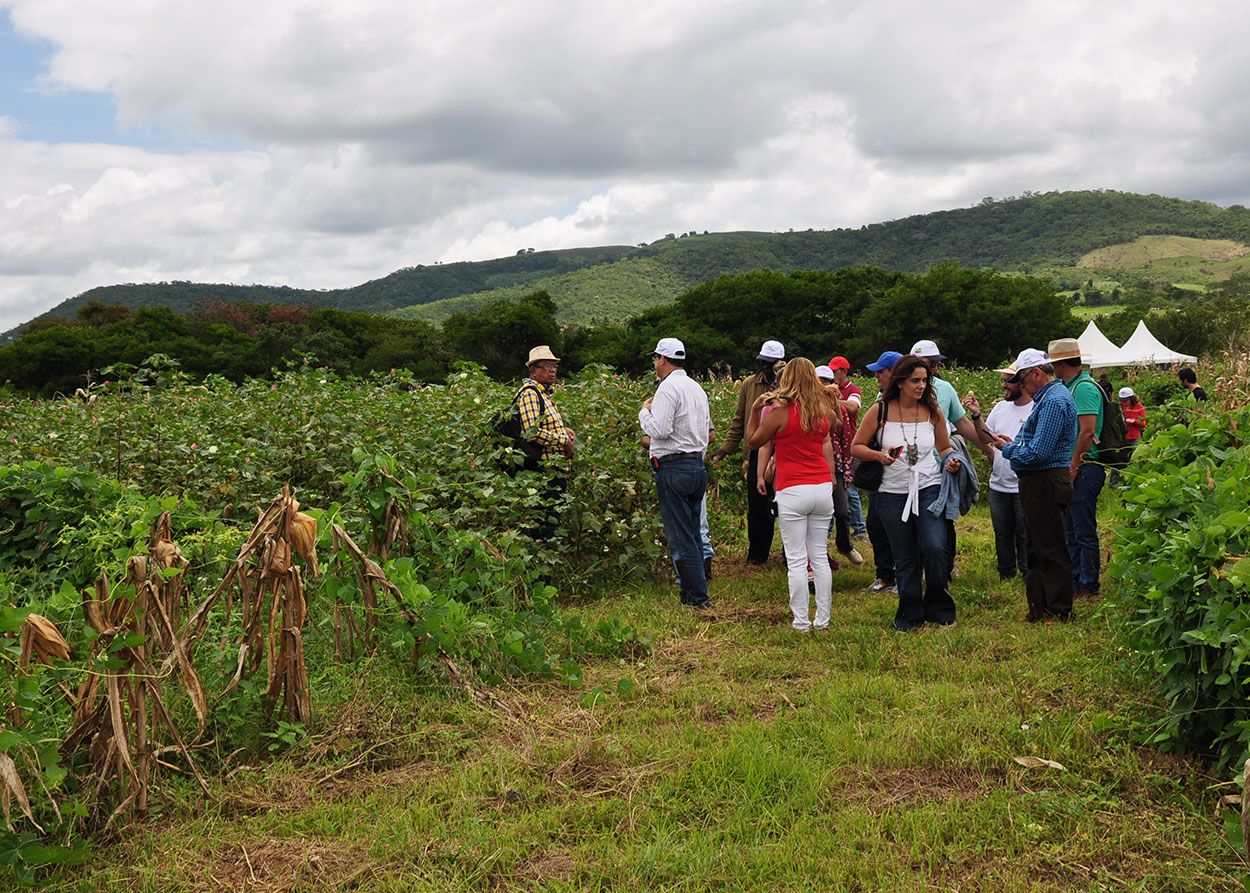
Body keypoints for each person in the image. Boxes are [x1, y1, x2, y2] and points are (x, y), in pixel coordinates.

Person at [851, 354, 963, 631]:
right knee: (905, 557)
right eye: (915, 380)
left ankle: (938, 606)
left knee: (936, 547)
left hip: (928, 486)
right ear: (900, 382)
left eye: (925, 380)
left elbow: (944, 447)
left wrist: (950, 460)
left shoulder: (933, 410)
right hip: (891, 493)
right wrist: (879, 455)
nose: (921, 386)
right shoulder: (880, 411)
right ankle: (910, 616)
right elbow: (857, 447)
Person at [746, 358, 840, 632]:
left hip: (792, 489)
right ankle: (822, 620)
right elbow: (834, 426)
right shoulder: (822, 412)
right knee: (819, 556)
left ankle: (801, 622)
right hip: (822, 488)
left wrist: (755, 410)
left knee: (797, 560)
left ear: (786, 379)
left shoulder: (778, 413)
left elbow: (753, 441)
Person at [992, 349, 1077, 622]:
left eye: (1021, 378)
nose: (1019, 385)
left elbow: (1038, 453)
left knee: (1050, 547)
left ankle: (1059, 611)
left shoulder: (1052, 402)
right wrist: (1015, 445)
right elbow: (1035, 446)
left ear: (1037, 373)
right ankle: (1041, 609)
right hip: (1041, 480)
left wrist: (1008, 450)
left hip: (1045, 480)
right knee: (1037, 545)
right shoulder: (1049, 398)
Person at [639, 338, 712, 609]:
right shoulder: (696, 388)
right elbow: (705, 431)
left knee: (681, 539)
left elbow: (660, 430)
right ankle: (693, 594)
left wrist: (644, 414)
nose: (655, 364)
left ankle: (697, 599)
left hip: (673, 467)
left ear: (663, 359)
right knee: (692, 533)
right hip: (696, 465)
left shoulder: (667, 389)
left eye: (655, 359)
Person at [709, 340, 785, 564]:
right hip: (757, 451)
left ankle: (792, 556)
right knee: (758, 507)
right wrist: (726, 448)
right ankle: (757, 555)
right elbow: (740, 420)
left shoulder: (791, 385)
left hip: (783, 452)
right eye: (763, 363)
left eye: (770, 364)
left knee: (787, 505)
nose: (766, 368)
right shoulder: (750, 384)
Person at [910, 340, 979, 576]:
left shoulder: (946, 389)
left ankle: (947, 564)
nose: (935, 369)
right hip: (906, 470)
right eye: (930, 364)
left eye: (937, 364)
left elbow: (962, 423)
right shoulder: (895, 390)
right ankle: (914, 566)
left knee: (943, 517)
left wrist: (988, 447)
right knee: (911, 519)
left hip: (941, 466)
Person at [965, 362, 1033, 580]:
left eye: (1008, 380)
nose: (1004, 385)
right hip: (999, 484)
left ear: (1022, 382)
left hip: (1023, 484)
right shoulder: (1001, 408)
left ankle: (1027, 573)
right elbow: (986, 437)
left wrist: (1014, 446)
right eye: (1003, 380)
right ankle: (1006, 573)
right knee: (1002, 533)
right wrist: (976, 416)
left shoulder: (1036, 408)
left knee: (1025, 533)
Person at [1048, 338, 1104, 600]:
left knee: (1082, 529)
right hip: (1077, 467)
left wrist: (1073, 465)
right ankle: (1076, 578)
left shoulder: (1082, 388)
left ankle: (1088, 583)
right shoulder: (1070, 386)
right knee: (1070, 528)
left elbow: (1087, 431)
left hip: (1085, 467)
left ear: (1060, 364)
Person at [518, 345, 576, 540]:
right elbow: (530, 432)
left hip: (553, 466)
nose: (552, 371)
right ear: (533, 371)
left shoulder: (544, 393)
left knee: (552, 516)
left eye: (554, 367)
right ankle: (539, 561)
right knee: (545, 520)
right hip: (544, 468)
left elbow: (543, 424)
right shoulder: (530, 393)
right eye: (546, 367)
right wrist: (563, 441)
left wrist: (564, 430)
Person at [861, 351, 904, 594]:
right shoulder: (880, 401)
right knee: (876, 526)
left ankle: (905, 575)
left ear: (895, 373)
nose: (876, 375)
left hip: (905, 479)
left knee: (901, 529)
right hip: (881, 476)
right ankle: (885, 577)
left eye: (881, 371)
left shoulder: (915, 404)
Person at [829, 356, 867, 538]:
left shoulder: (853, 390)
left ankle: (859, 529)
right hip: (832, 445)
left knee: (849, 488)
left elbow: (853, 407)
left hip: (849, 445)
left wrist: (833, 399)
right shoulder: (830, 388)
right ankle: (829, 531)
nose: (832, 375)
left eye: (835, 371)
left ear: (844, 371)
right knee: (831, 489)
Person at [1112, 387, 1146, 488]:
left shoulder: (1139, 407)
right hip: (1122, 438)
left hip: (1134, 437)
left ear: (1131, 398)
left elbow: (1143, 423)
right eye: (1122, 400)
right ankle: (1113, 484)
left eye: (1126, 400)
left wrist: (1134, 422)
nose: (1124, 403)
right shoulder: (1118, 407)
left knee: (1133, 461)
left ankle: (1132, 484)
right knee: (1117, 461)